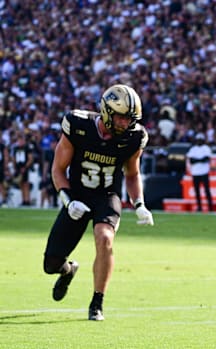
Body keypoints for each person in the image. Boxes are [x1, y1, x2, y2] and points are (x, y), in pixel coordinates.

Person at [43, 84, 154, 321]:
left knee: (105, 238)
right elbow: (58, 169)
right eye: (122, 117)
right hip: (78, 196)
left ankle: (97, 302)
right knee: (51, 264)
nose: (126, 124)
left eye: (130, 119)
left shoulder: (135, 136)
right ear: (106, 111)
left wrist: (139, 204)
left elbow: (132, 174)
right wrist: (68, 200)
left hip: (107, 196)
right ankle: (68, 270)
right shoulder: (77, 125)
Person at [186, 132, 213, 212]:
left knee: (207, 190)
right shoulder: (193, 149)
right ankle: (199, 206)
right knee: (197, 191)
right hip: (195, 173)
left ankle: (210, 207)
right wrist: (200, 160)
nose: (199, 141)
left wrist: (197, 160)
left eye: (200, 140)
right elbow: (191, 160)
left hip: (204, 172)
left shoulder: (206, 148)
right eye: (198, 140)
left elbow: (207, 159)